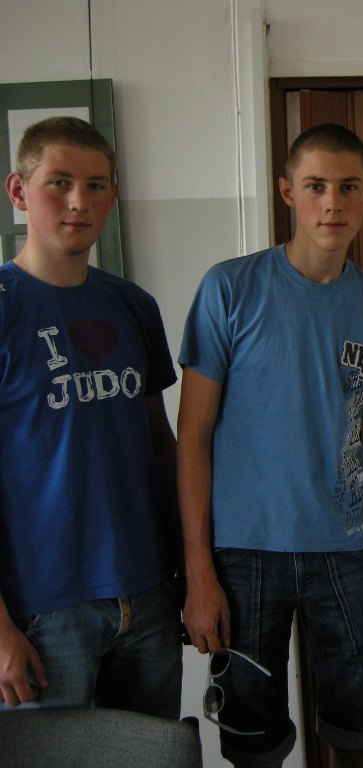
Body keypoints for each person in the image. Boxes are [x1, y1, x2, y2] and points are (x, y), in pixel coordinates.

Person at [177, 123, 363, 768]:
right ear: (288, 192)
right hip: (243, 550)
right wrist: (198, 573)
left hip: (347, 548)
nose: (332, 203)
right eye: (315, 186)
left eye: (348, 188)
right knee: (252, 738)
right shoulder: (229, 289)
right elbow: (192, 436)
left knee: (359, 727)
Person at [0, 116, 182, 716]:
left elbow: (159, 444)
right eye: (59, 182)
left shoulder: (132, 305)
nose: (79, 201)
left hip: (148, 596)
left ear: (112, 196)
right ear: (19, 191)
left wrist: (187, 565)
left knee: (149, 755)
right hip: (42, 609)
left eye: (96, 185)